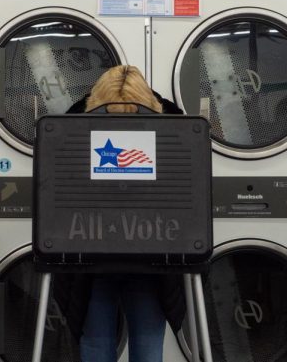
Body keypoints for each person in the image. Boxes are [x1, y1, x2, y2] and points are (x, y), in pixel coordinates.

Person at [56, 65, 185, 362]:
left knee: (96, 344)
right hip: (152, 253)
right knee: (148, 345)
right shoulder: (174, 130)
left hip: (91, 251)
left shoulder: (73, 127)